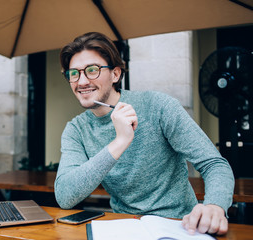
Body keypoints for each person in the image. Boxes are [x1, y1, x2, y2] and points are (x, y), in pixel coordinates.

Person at [54, 32, 235, 235]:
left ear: (115, 74)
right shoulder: (76, 130)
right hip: (125, 227)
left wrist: (215, 206)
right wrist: (119, 142)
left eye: (92, 70)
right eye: (74, 73)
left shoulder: (158, 106)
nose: (82, 81)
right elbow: (65, 195)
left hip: (180, 226)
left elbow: (214, 164)